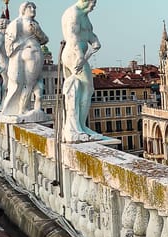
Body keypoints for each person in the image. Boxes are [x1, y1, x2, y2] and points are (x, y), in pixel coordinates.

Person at [60, 0, 102, 142]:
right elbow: (72, 38)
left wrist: (95, 41)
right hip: (73, 54)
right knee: (87, 89)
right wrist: (79, 56)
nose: (94, 5)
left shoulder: (84, 15)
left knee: (83, 89)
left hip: (80, 56)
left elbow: (88, 34)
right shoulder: (73, 14)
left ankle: (80, 126)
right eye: (93, 2)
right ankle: (76, 128)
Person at [0, 2, 49, 120]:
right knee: (29, 83)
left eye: (34, 7)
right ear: (23, 9)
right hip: (30, 53)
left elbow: (44, 39)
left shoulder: (33, 23)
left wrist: (37, 32)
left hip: (33, 53)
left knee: (30, 82)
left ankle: (28, 106)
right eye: (30, 7)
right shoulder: (18, 23)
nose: (33, 9)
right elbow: (9, 46)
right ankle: (23, 108)